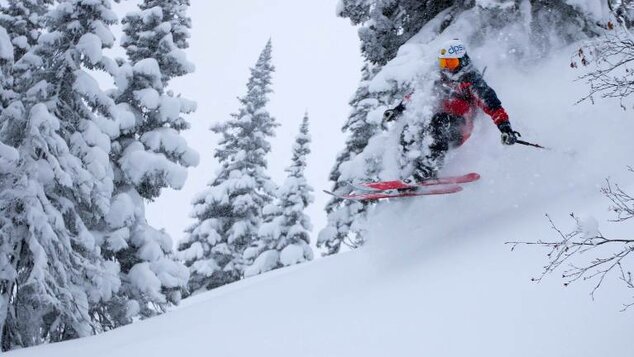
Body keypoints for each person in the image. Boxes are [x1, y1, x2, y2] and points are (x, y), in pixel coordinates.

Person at [383, 39, 520, 182]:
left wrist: (506, 129)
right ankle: (406, 168)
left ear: (462, 61)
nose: (447, 68)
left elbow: (492, 105)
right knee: (413, 126)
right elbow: (418, 95)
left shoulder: (472, 80)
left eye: (451, 63)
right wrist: (398, 110)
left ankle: (428, 169)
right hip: (438, 123)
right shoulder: (439, 78)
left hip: (460, 127)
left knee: (439, 122)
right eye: (444, 63)